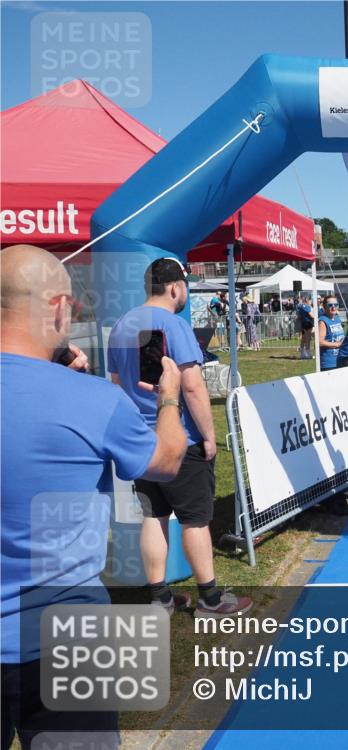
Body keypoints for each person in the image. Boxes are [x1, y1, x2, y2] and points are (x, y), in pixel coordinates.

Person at [1, 246, 187, 749]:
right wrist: (168, 396)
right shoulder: (94, 401)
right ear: (58, 308)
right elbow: (167, 460)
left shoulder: (84, 395)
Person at [108, 258, 252, 617]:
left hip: (140, 440)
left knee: (153, 516)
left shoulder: (123, 324)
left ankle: (160, 598)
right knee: (194, 519)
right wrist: (208, 434)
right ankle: (211, 599)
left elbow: (115, 384)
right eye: (185, 287)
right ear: (175, 287)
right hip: (179, 436)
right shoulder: (173, 323)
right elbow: (192, 385)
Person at [318, 295, 345, 371]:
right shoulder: (322, 321)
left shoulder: (337, 319)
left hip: (339, 359)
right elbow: (320, 342)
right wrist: (337, 344)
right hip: (328, 363)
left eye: (336, 305)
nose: (333, 307)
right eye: (330, 305)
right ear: (324, 306)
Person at [296, 294, 315, 360]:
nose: (311, 301)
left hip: (303, 323)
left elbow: (299, 316)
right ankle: (308, 353)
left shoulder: (300, 306)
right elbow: (311, 315)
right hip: (308, 324)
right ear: (307, 300)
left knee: (303, 339)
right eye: (310, 300)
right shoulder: (307, 306)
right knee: (308, 339)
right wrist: (317, 317)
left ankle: (302, 354)